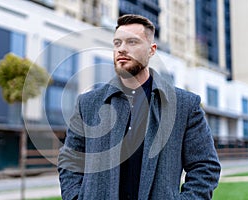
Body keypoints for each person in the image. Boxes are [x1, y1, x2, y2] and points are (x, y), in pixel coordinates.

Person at [58, 14, 221, 200]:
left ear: (152, 50)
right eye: (117, 43)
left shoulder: (184, 105)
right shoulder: (87, 103)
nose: (122, 49)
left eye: (132, 42)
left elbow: (205, 167)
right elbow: (70, 160)